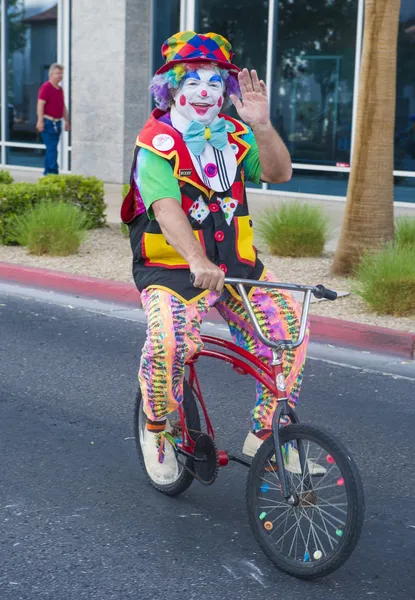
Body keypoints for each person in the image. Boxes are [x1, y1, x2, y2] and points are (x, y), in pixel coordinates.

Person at [121, 31, 320, 485]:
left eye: (214, 83)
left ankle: (266, 434)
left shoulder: (235, 134)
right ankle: (158, 428)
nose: (205, 92)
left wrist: (262, 125)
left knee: (290, 333)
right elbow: (165, 207)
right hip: (173, 270)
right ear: (172, 87)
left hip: (238, 266)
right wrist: (195, 257)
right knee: (169, 344)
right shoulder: (156, 142)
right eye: (193, 81)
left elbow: (279, 172)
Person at [36, 63, 70, 175]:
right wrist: (40, 121)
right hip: (48, 122)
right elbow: (40, 104)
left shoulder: (60, 89)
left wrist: (67, 121)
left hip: (57, 123)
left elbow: (62, 106)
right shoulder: (46, 87)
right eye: (58, 73)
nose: (60, 76)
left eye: (61, 73)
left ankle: (47, 174)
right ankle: (53, 173)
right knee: (52, 149)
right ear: (51, 74)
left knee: (51, 149)